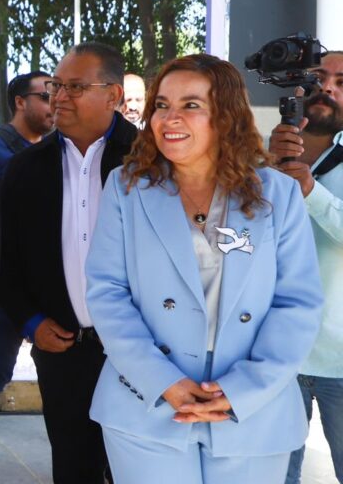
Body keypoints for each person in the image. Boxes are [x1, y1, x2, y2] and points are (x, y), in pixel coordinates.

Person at [85, 53, 324, 482]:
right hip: (147, 404)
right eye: (162, 105)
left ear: (227, 116)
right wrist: (163, 381)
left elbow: (298, 303)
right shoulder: (126, 189)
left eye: (191, 105)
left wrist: (242, 390)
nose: (170, 118)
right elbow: (107, 293)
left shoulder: (279, 194)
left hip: (253, 411)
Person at [0, 42, 137, 483]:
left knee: (139, 468)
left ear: (113, 96)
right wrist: (31, 321)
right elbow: (5, 259)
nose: (59, 97)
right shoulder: (25, 167)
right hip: (62, 351)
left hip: (140, 354)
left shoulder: (150, 160)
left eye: (76, 87)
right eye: (57, 86)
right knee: (74, 468)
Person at [269, 93, 343, 483]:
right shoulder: (268, 157)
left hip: (340, 359)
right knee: (274, 474)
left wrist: (311, 190)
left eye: (341, 80)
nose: (327, 89)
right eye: (318, 79)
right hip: (278, 356)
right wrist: (265, 169)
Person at [0, 70, 54, 432]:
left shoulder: (52, 152)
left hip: (36, 285)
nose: (54, 102)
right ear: (20, 102)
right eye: (46, 95)